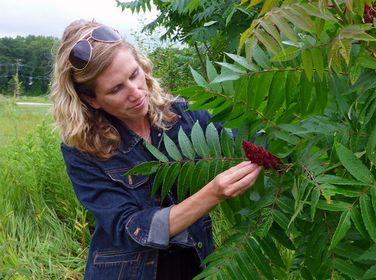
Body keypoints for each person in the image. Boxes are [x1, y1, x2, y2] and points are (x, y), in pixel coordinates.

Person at [50, 19, 261, 280]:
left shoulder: (185, 118)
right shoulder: (83, 151)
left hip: (197, 264)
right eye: (116, 89)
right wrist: (212, 193)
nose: (136, 92)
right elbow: (130, 230)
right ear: (92, 100)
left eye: (134, 74)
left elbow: (248, 138)